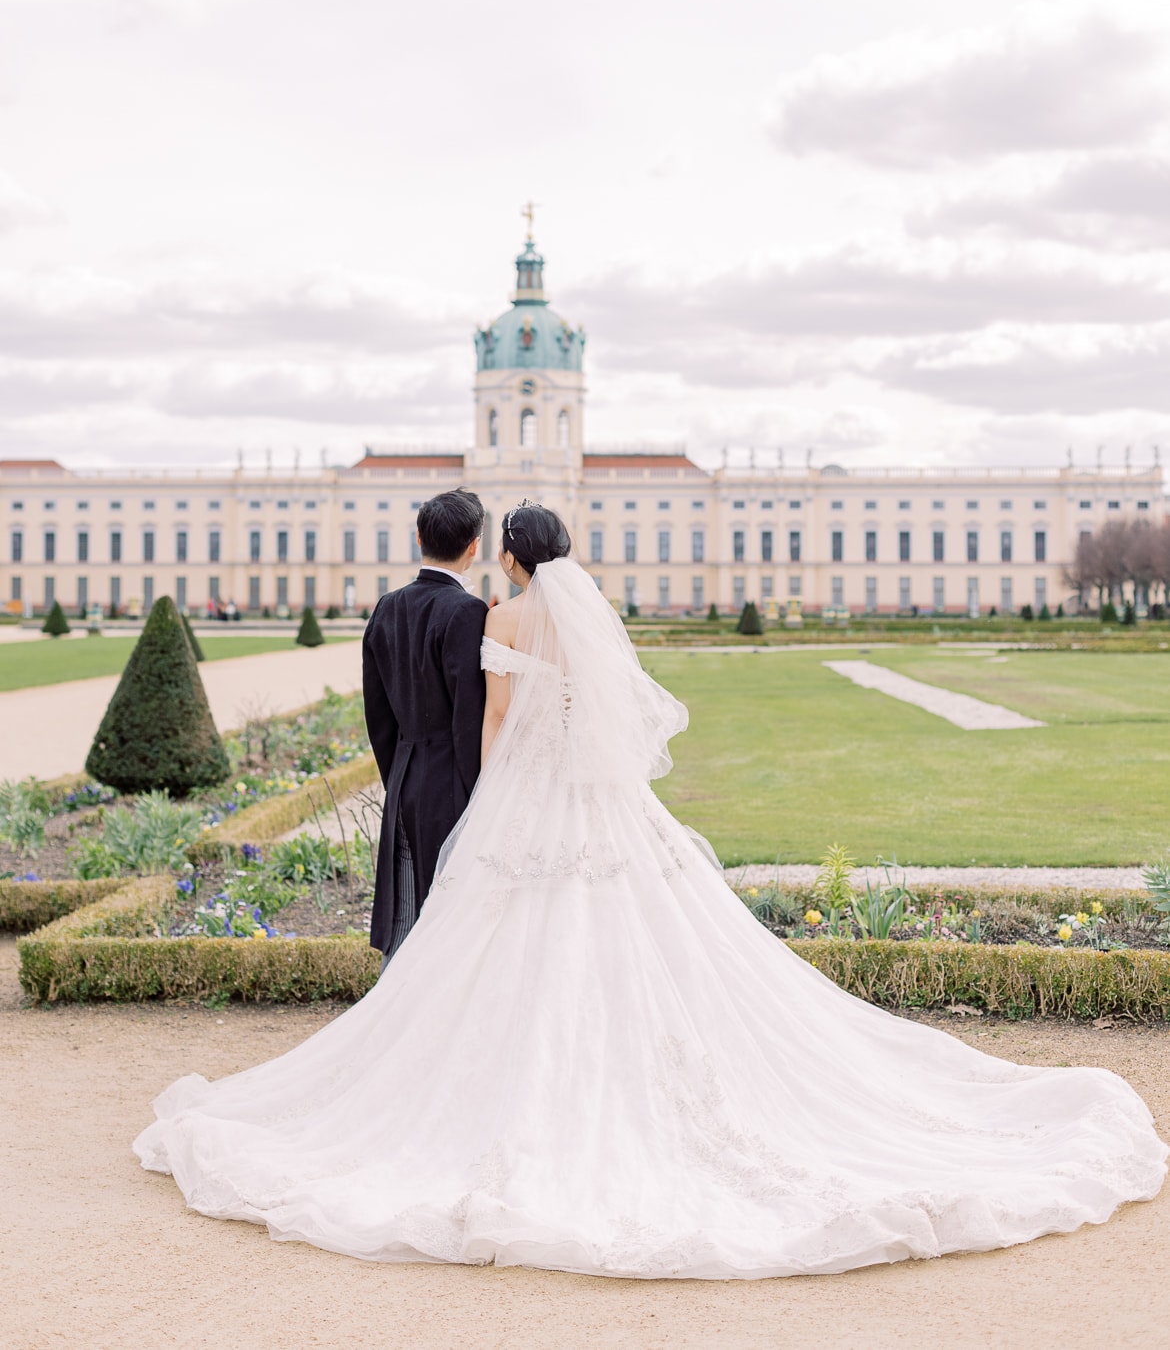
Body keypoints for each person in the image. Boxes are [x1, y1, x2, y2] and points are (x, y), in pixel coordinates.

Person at [134, 502, 1167, 1279]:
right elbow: (604, 719)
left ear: (508, 555)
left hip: (524, 800)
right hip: (601, 801)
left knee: (481, 950)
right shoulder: (577, 614)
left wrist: (496, 797)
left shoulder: (501, 614)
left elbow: (491, 723)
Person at [362, 487, 487, 964]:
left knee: (406, 912)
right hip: (451, 780)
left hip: (404, 776)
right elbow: (468, 718)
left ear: (418, 538)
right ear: (474, 546)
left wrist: (397, 776)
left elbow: (378, 716)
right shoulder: (467, 611)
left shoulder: (386, 606)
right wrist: (482, 791)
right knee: (450, 916)